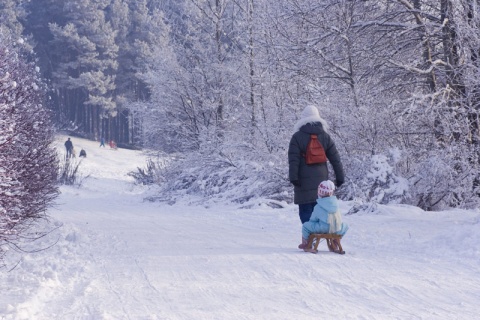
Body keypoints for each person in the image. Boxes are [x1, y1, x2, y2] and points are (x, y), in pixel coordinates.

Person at [288, 105, 345, 224]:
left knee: (306, 212)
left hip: (303, 181)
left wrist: (294, 178)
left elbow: (293, 160)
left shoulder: (297, 137)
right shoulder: (325, 136)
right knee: (321, 210)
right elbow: (335, 158)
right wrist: (340, 177)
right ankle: (319, 236)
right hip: (321, 181)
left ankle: (309, 240)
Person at [298, 180, 348, 252]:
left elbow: (313, 220)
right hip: (337, 228)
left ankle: (306, 244)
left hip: (323, 228)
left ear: (319, 192)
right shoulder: (336, 204)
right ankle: (335, 241)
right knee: (345, 226)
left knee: (306, 226)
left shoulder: (318, 206)